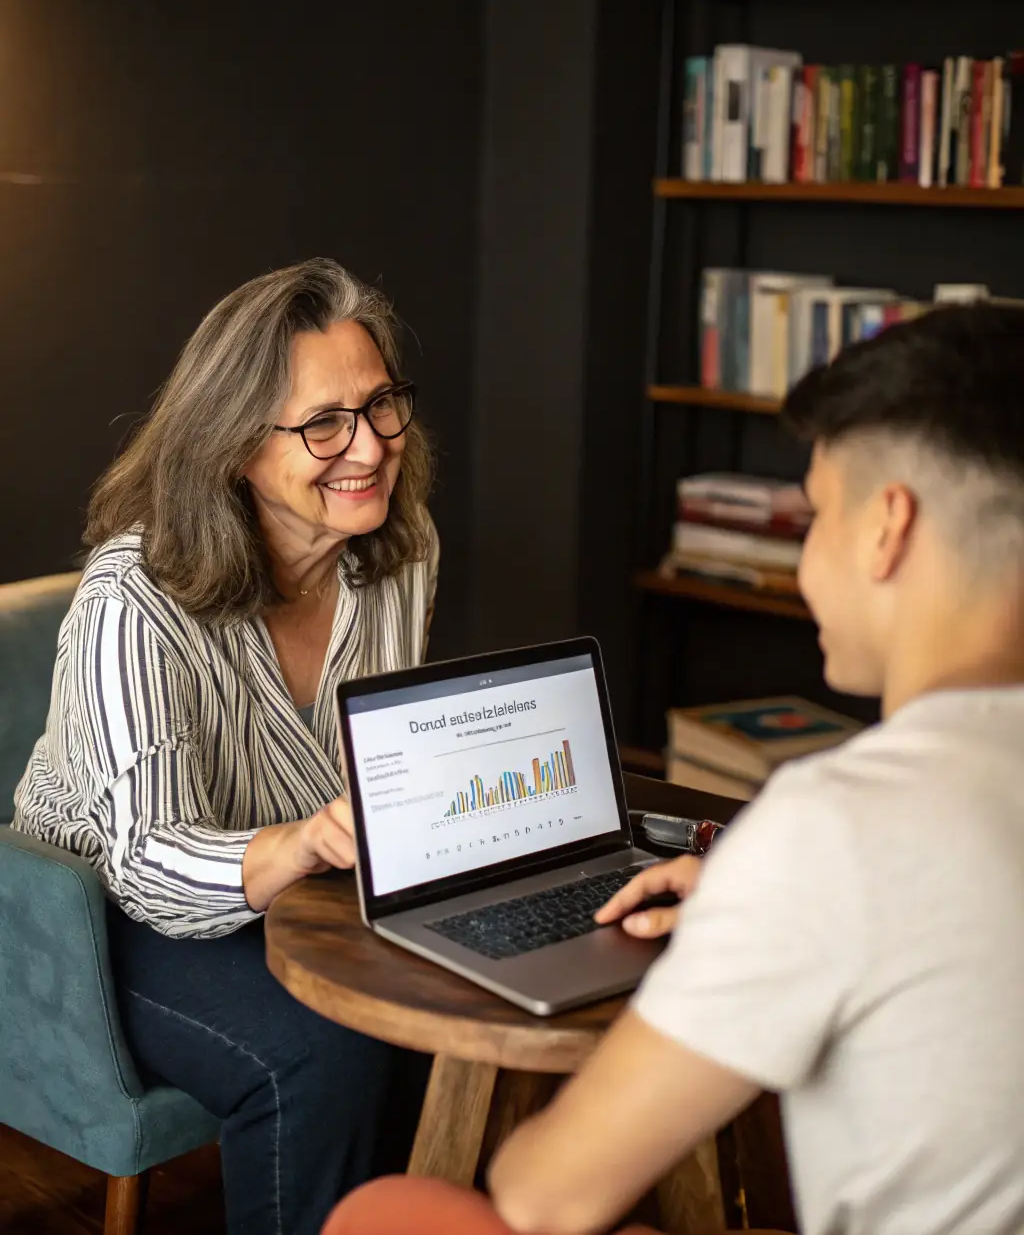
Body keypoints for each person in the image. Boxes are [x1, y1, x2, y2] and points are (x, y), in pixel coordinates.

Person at [482, 303, 1024, 1235]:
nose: (805, 561)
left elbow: (544, 1197)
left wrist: (772, 897)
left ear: (888, 526)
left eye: (814, 516)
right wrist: (760, 905)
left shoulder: (833, 828)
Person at [13, 258, 438, 1235]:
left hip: (295, 885)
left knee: (441, 994)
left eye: (381, 405)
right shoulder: (136, 598)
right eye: (323, 424)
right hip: (92, 909)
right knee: (325, 1050)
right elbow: (147, 860)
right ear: (237, 447)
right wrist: (305, 845)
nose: (368, 447)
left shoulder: (402, 548)